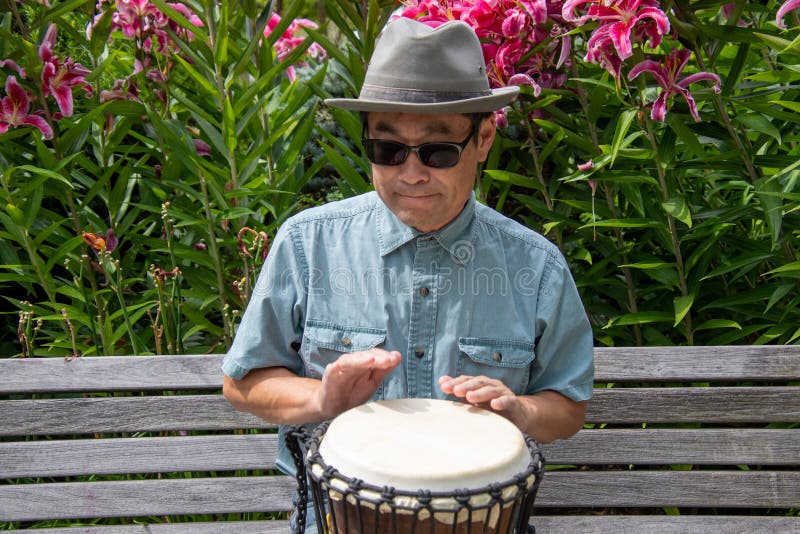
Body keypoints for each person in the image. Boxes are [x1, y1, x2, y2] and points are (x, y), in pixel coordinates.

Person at [222, 16, 594, 532]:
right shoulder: (309, 244)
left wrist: (521, 411)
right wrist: (319, 399)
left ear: (483, 138)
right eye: (388, 149)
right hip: (336, 522)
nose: (411, 173)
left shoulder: (535, 266)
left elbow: (567, 404)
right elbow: (243, 383)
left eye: (438, 151)